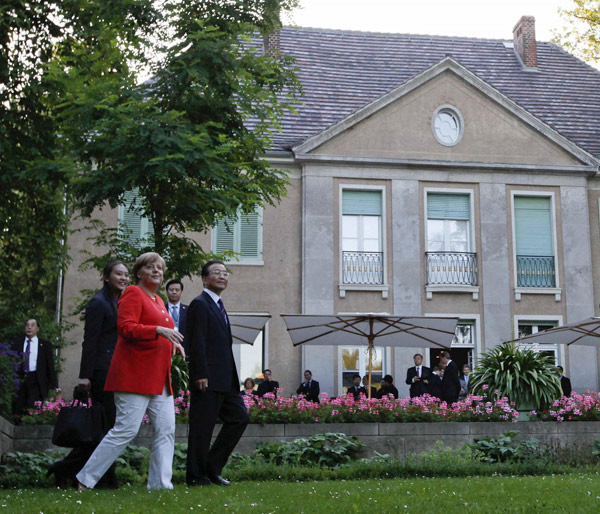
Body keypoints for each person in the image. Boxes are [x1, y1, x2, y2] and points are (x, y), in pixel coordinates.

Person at [76, 252, 185, 491]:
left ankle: (160, 485)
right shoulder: (133, 293)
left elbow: (160, 332)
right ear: (139, 273)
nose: (157, 271)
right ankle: (85, 479)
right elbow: (126, 328)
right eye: (151, 267)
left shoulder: (157, 300)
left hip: (159, 377)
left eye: (160, 268)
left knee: (166, 430)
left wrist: (172, 342)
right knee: (126, 430)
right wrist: (158, 330)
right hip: (134, 375)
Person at [48, 260, 129, 488]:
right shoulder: (98, 303)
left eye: (125, 274)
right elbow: (90, 341)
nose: (123, 278)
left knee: (106, 428)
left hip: (117, 369)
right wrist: (85, 376)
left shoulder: (120, 301)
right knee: (107, 428)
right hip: (102, 372)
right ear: (106, 277)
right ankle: (82, 472)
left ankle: (69, 470)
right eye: (118, 274)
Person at [186, 260, 249, 487]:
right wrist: (200, 373)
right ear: (204, 279)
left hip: (226, 380)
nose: (222, 276)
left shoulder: (219, 305)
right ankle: (195, 476)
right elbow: (197, 341)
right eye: (216, 273)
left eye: (225, 273)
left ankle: (212, 468)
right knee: (202, 428)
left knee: (240, 418)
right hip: (207, 379)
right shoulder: (199, 304)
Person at [12, 319, 58, 417]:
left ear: (37, 329)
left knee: (33, 406)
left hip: (36, 379)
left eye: (32, 325)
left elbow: (50, 365)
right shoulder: (17, 344)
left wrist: (53, 384)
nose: (29, 327)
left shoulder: (45, 345)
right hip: (20, 379)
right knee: (18, 406)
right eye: (27, 325)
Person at [166, 279, 188, 351]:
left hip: (185, 348)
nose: (174, 292)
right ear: (167, 291)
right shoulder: (161, 309)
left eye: (177, 290)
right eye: (171, 290)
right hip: (166, 346)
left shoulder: (189, 310)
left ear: (181, 292)